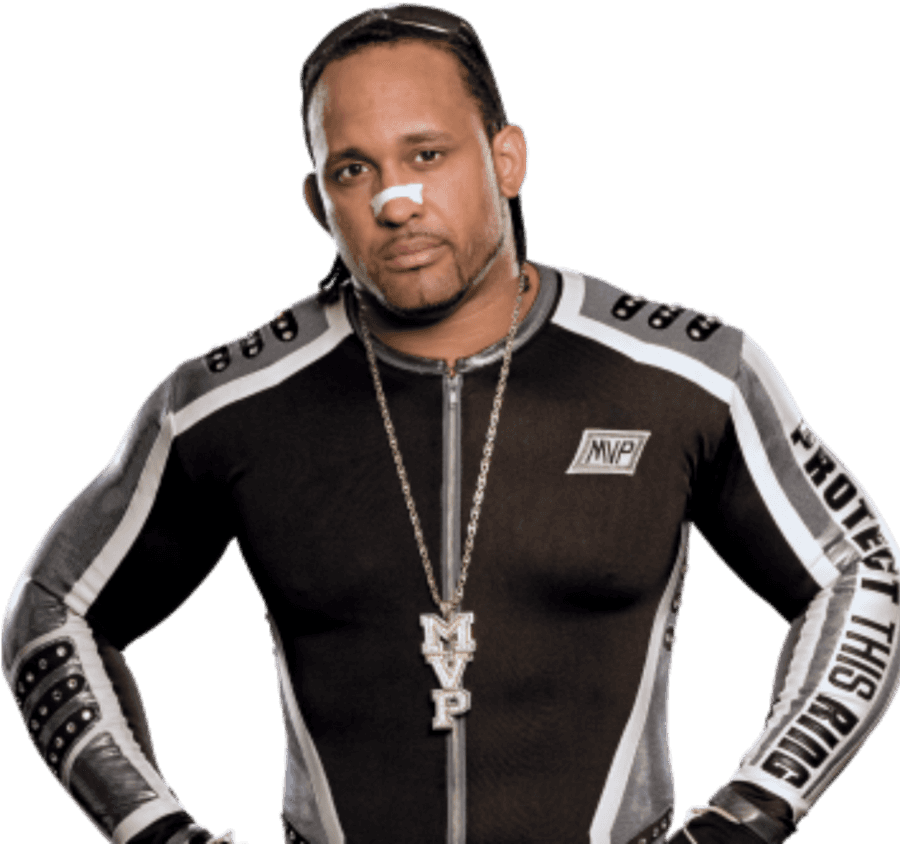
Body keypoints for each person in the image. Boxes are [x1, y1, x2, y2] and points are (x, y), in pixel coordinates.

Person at [3, 4, 898, 844]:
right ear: (317, 203)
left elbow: (859, 573)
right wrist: (158, 830)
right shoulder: (225, 403)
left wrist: (750, 815)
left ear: (507, 160)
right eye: (353, 170)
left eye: (426, 154)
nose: (395, 199)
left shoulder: (685, 376)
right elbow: (51, 611)